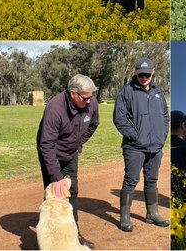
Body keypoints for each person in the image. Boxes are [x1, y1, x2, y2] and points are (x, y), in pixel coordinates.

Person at [37, 74, 100, 249]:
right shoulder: (54, 109)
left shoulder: (91, 103)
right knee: (54, 194)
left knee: (71, 191)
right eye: (86, 98)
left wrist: (79, 142)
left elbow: (94, 124)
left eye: (91, 97)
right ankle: (51, 238)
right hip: (51, 153)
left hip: (71, 153)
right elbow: (46, 144)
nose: (90, 101)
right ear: (73, 94)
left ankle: (74, 234)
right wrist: (56, 177)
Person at [113, 58, 170, 232]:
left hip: (156, 147)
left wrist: (162, 136)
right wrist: (134, 136)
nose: (144, 77)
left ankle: (152, 213)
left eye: (147, 74)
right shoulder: (127, 92)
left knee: (152, 180)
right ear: (136, 74)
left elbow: (165, 116)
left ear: (153, 73)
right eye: (140, 75)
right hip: (135, 147)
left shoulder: (158, 92)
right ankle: (124, 217)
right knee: (131, 180)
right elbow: (119, 118)